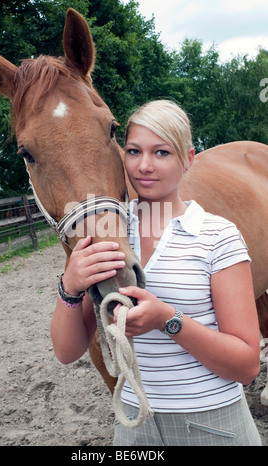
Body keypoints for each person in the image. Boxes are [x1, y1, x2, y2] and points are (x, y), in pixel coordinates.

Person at [50, 100, 262, 446]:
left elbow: (246, 365)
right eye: (133, 151)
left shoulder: (217, 236)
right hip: (135, 427)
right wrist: (70, 287)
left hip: (214, 423)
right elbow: (66, 351)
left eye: (161, 152)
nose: (144, 166)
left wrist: (167, 319)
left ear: (188, 159)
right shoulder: (104, 230)